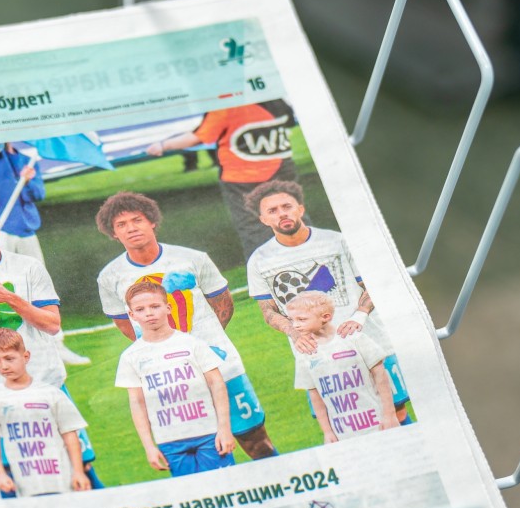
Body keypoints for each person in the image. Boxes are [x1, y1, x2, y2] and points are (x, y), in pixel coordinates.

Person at [95, 191, 278, 460]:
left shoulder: (192, 258)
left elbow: (223, 303)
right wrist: (163, 350)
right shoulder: (110, 276)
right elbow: (124, 323)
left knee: (256, 442)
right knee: (201, 452)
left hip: (221, 365)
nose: (131, 228)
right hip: (171, 378)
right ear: (113, 233)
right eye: (121, 225)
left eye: (137, 220)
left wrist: (202, 346)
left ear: (152, 221)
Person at [0, 206, 102, 487]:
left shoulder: (27, 267)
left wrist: (9, 298)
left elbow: (52, 324)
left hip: (44, 380)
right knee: (9, 472)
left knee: (79, 466)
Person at [244, 180, 412, 425]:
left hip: (369, 343)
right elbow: (268, 311)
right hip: (318, 355)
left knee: (396, 413)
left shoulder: (337, 241)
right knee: (347, 421)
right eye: (273, 210)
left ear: (300, 209)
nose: (282, 214)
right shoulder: (259, 260)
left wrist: (359, 316)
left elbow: (372, 285)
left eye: (287, 206)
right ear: (263, 219)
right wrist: (294, 333)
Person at [0, 144, 91, 365]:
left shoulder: (27, 159)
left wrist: (27, 180)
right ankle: (6, 350)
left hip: (25, 230)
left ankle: (55, 346)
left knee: (38, 286)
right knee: (2, 289)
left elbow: (38, 194)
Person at [145, 100, 297, 256]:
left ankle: (265, 265)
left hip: (241, 178)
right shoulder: (273, 100)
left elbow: (197, 137)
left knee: (251, 225)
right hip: (281, 169)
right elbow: (289, 119)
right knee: (293, 216)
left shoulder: (226, 107)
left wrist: (163, 145)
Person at [115, 281, 235, 476]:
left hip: (209, 434)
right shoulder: (130, 357)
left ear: (168, 308)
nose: (149, 313)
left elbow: (217, 385)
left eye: (155, 306)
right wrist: (149, 446)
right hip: (170, 441)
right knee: (190, 492)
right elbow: (137, 403)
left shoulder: (192, 344)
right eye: (140, 309)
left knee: (225, 487)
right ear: (132, 315)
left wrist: (225, 428)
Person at [0, 328, 91, 497]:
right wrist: (1, 474)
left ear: (26, 357)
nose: (3, 366)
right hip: (26, 487)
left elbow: (70, 434)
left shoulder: (51, 393)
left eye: (9, 359)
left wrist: (78, 471)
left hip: (62, 481)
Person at [285, 292, 399, 442]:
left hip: (379, 425)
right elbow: (315, 396)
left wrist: (390, 414)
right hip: (344, 435)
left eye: (301, 319)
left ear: (325, 317)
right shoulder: (304, 352)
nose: (295, 325)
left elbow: (380, 376)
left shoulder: (354, 337)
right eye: (292, 320)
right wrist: (327, 432)